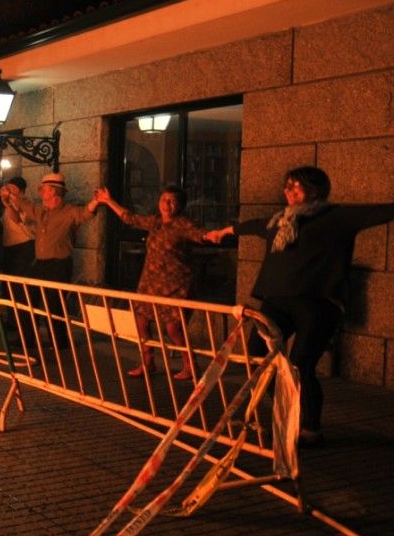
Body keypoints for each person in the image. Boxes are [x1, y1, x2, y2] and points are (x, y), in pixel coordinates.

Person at [205, 166, 394, 447]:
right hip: (276, 302)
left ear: (315, 190)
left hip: (317, 304)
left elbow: (381, 212)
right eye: (287, 186)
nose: (288, 192)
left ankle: (310, 429)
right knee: (258, 358)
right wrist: (223, 232)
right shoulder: (279, 221)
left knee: (301, 365)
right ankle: (287, 411)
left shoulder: (336, 217)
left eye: (296, 187)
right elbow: (252, 225)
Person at [95, 185, 205, 379]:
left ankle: (191, 366)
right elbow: (130, 218)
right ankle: (147, 363)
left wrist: (218, 234)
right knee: (141, 322)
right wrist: (107, 200)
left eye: (172, 200)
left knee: (173, 328)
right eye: (164, 199)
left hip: (175, 284)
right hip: (151, 281)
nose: (167, 204)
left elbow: (201, 235)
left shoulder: (183, 224)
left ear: (180, 205)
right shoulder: (155, 222)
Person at [0, 172, 99, 348]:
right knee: (27, 300)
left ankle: (59, 342)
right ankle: (28, 339)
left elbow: (85, 213)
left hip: (59, 265)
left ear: (53, 192)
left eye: (43, 190)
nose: (41, 193)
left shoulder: (69, 212)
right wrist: (10, 195)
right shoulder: (41, 211)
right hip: (40, 263)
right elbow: (25, 205)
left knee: (54, 305)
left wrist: (97, 200)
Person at [0, 176, 34, 277]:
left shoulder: (26, 202)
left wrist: (8, 205)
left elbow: (17, 219)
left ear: (15, 189)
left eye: (8, 189)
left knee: (19, 280)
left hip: (23, 247)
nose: (5, 191)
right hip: (10, 247)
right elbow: (4, 221)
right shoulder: (11, 203)